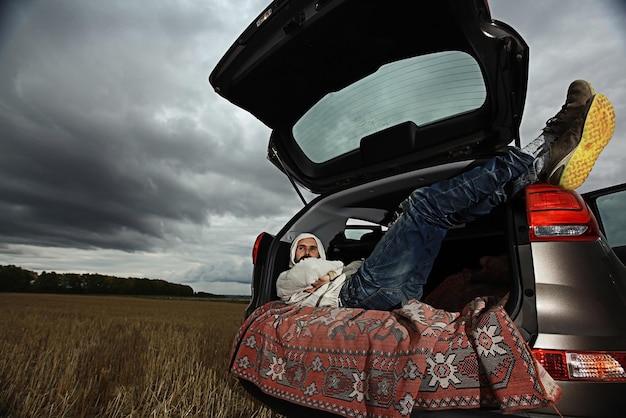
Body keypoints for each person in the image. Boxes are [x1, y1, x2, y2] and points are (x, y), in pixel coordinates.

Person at [276, 80, 616, 311]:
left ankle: (539, 163)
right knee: (422, 205)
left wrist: (337, 271)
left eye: (310, 247)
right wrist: (330, 272)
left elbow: (331, 272)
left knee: (445, 215)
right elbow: (309, 275)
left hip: (400, 293)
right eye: (302, 250)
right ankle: (541, 146)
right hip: (361, 293)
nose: (307, 254)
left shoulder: (331, 272)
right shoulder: (288, 281)